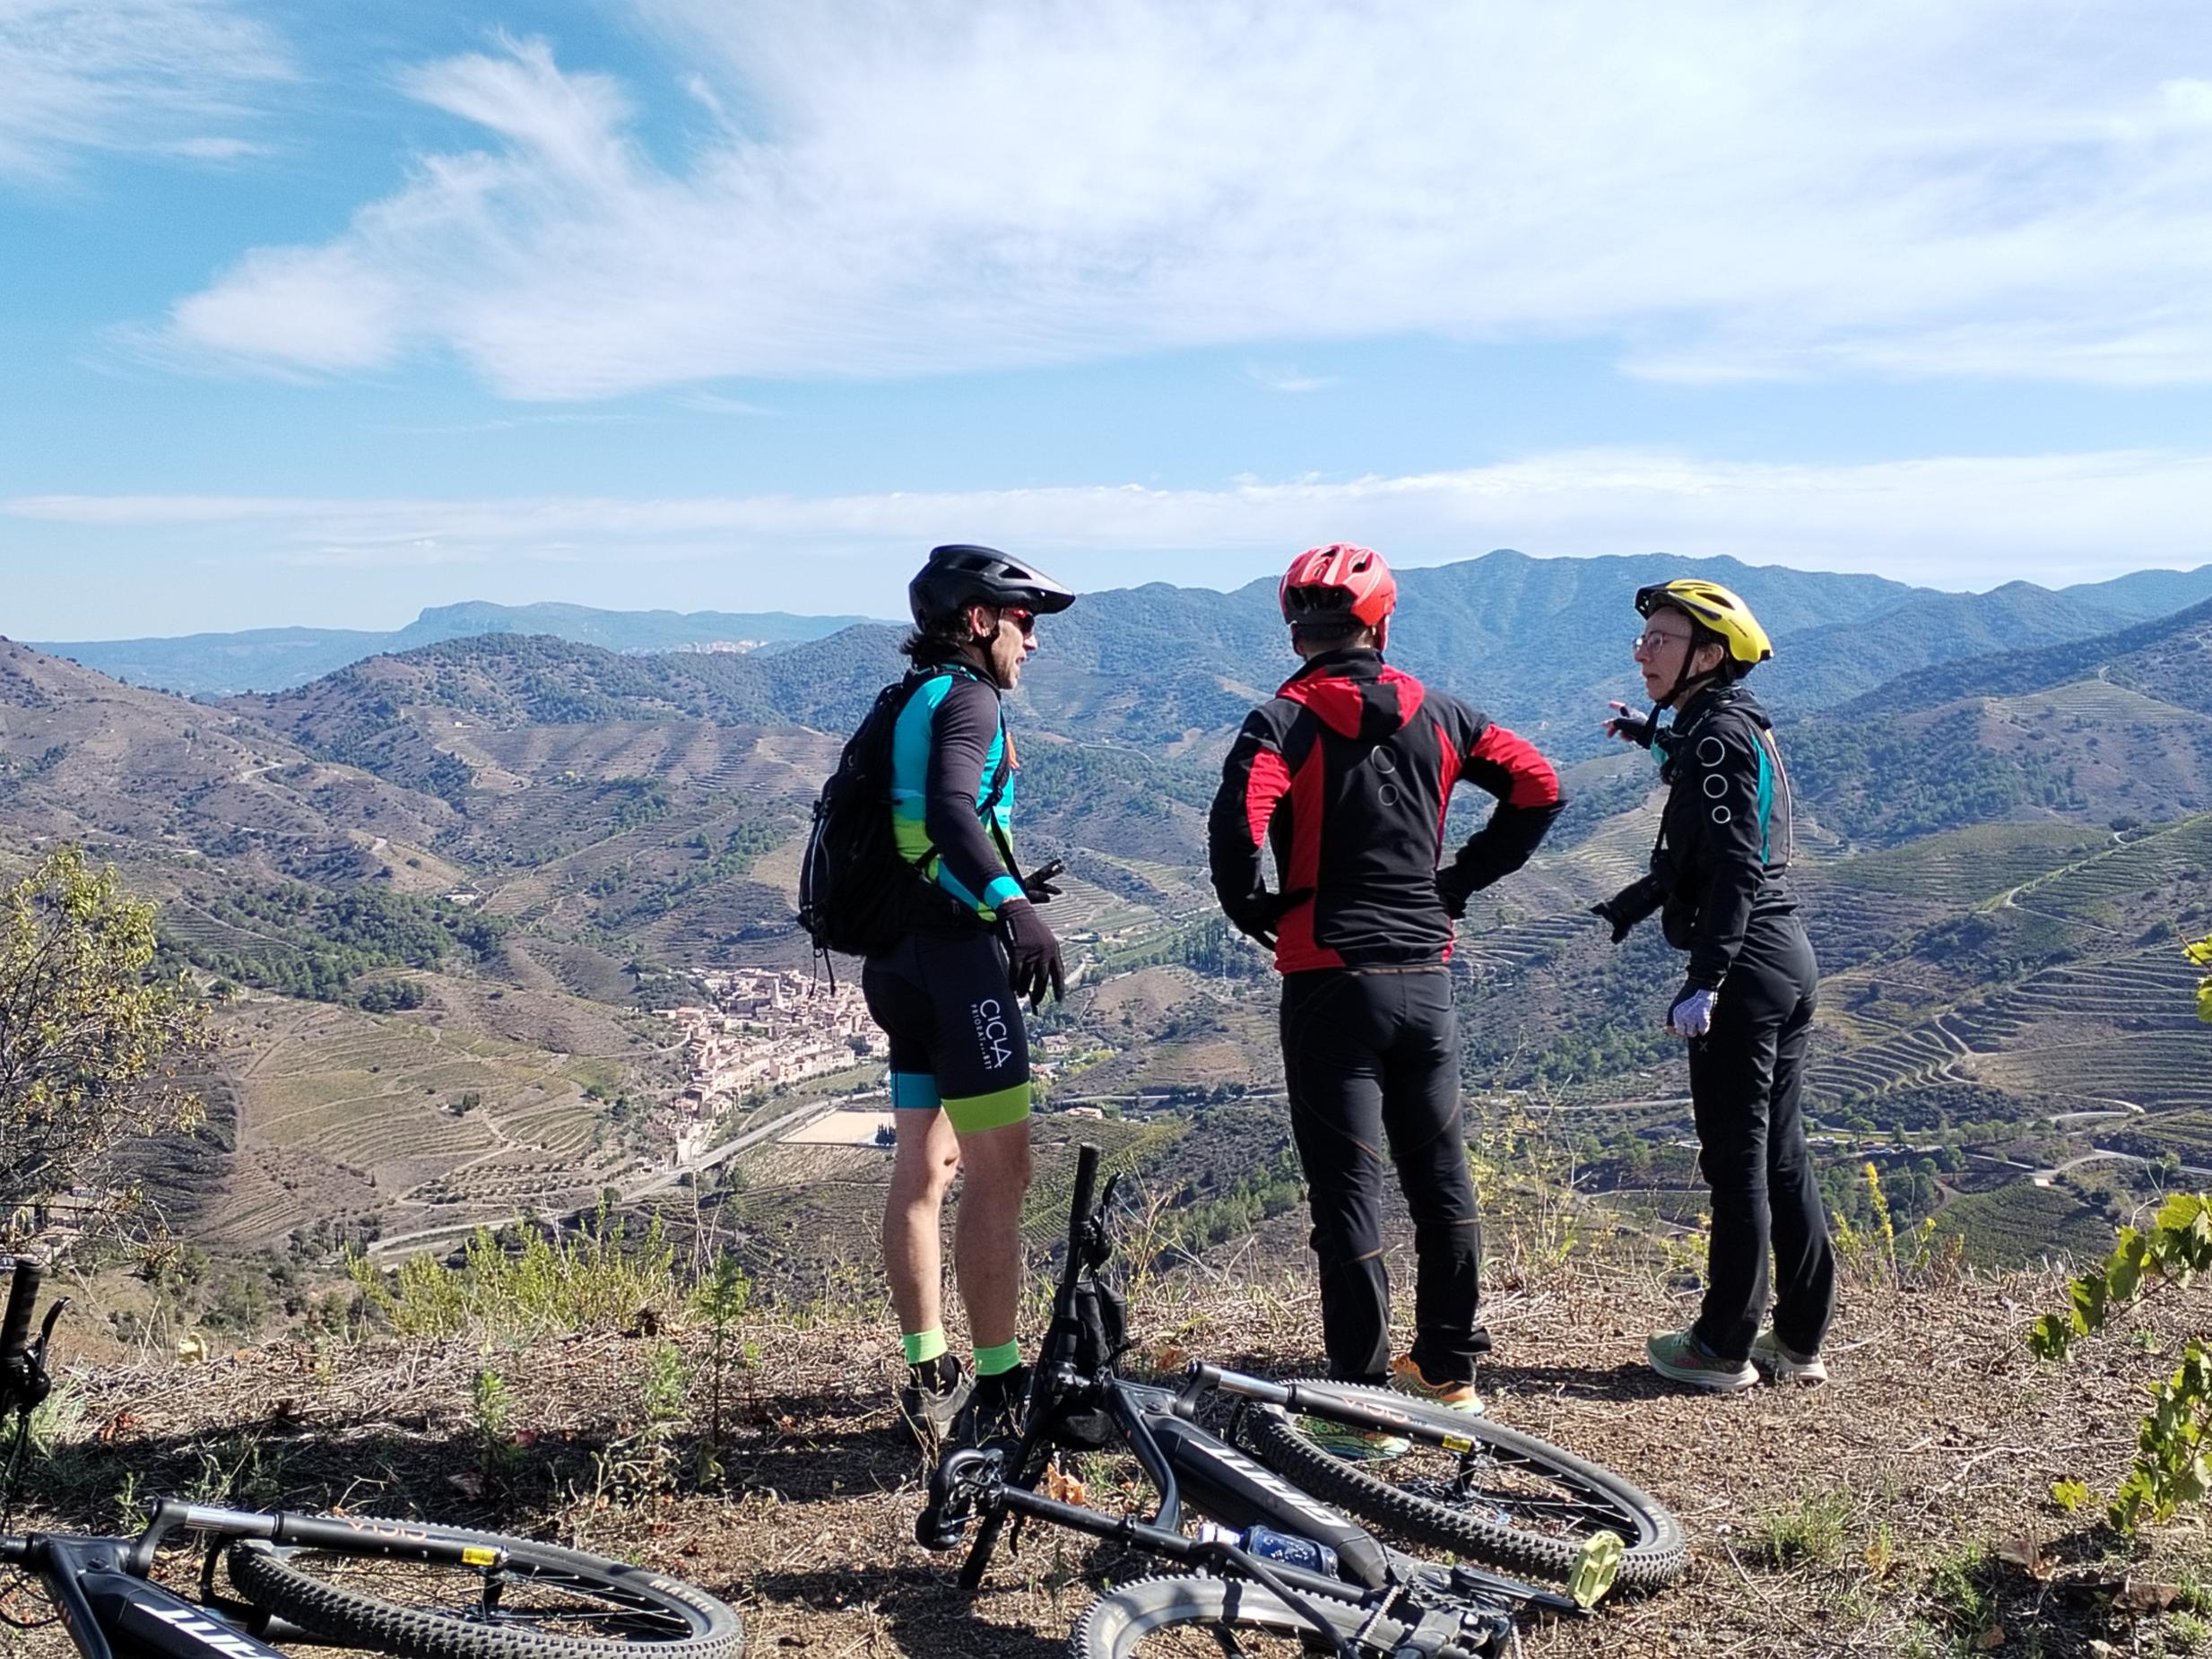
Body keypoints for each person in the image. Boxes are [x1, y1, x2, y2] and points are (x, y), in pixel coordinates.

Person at [1207, 543, 1564, 1455]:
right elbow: (1538, 783)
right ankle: (1447, 1369)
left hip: (1331, 977)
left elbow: (1239, 817)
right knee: (1439, 1174)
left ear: (1294, 627)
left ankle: (1361, 1406)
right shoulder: (1442, 714)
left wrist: (1253, 903)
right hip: (1426, 974)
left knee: (1348, 1193)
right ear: (1382, 622)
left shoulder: (1283, 717)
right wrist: (1461, 879)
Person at [1594, 578, 1835, 1391]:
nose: (1642, 652)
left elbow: (1733, 866)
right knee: (1780, 1160)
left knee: (1735, 1165)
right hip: (1783, 959)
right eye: (1643, 639)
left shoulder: (1716, 737)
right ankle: (1797, 1340)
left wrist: (1705, 981)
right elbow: (1711, 800)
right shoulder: (1719, 728)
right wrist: (1646, 738)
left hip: (1745, 965)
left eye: (1660, 639)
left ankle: (1720, 1346)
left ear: (1708, 654)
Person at [869, 544, 1074, 1442]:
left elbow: (934, 820)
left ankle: (928, 1367)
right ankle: (999, 1383)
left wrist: (1009, 881)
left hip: (898, 960)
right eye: (1024, 620)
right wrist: (1012, 905)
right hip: (957, 966)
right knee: (1002, 1172)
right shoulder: (969, 698)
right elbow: (953, 808)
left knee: (924, 1165)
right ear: (979, 619)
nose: (1032, 640)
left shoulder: (910, 696)